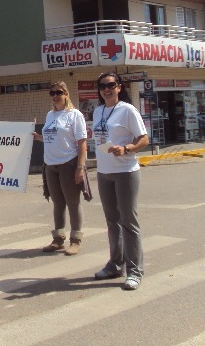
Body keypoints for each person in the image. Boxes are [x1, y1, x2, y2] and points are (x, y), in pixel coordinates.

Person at [92, 72, 149, 290]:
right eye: (102, 86)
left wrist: (126, 148)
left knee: (128, 222)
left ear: (119, 87)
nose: (106, 89)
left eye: (111, 85)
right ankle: (115, 264)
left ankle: (135, 271)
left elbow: (143, 138)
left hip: (125, 171)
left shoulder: (127, 110)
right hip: (104, 172)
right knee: (112, 222)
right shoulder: (98, 111)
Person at [33, 81, 88, 255]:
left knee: (72, 202)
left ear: (66, 94)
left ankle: (76, 240)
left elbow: (82, 143)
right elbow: (52, 138)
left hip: (68, 163)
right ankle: (58, 239)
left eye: (59, 92)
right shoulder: (50, 115)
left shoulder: (74, 115)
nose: (56, 96)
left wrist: (80, 167)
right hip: (50, 165)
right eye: (52, 93)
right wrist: (39, 137)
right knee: (58, 203)